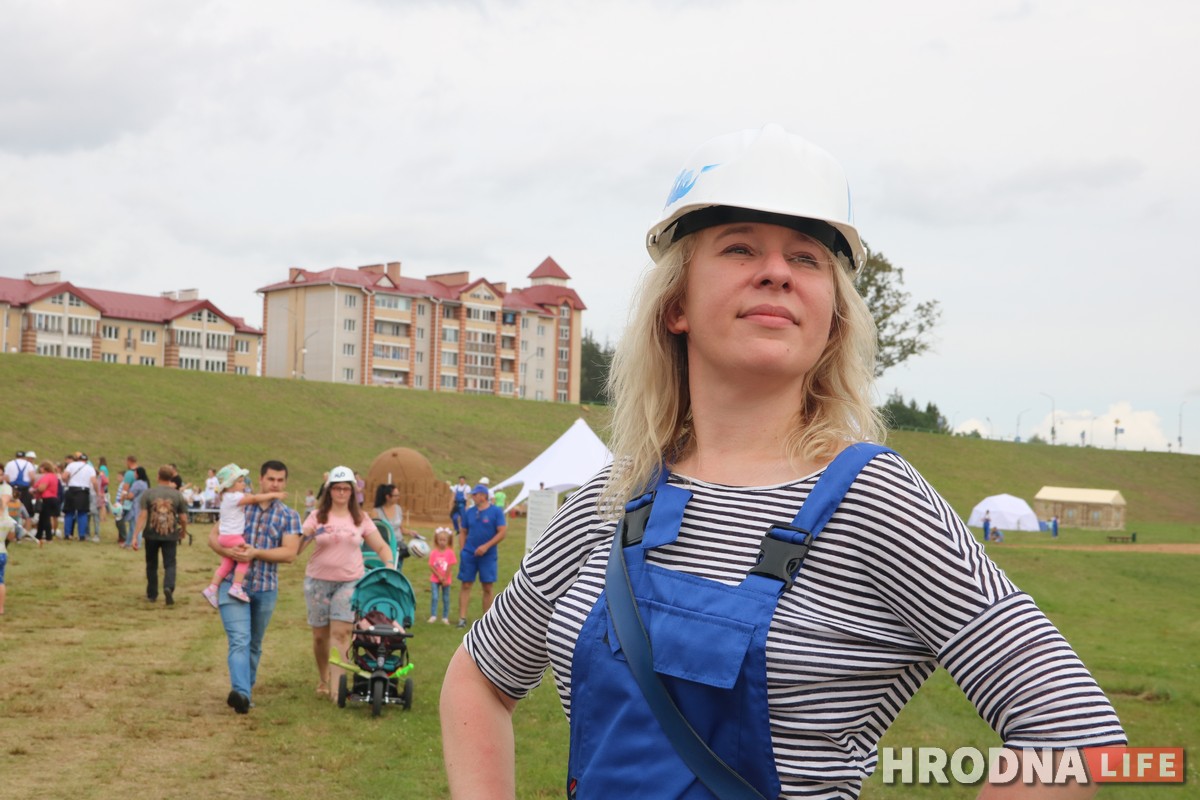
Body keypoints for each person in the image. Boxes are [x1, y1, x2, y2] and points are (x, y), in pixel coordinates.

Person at [441, 126, 1125, 799]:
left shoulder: (876, 500)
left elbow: (1073, 733)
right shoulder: (612, 496)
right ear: (675, 305)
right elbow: (479, 676)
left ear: (833, 315)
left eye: (806, 258)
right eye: (740, 249)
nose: (775, 271)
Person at [207, 459, 302, 714]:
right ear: (261, 480)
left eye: (280, 480)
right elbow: (213, 537)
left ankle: (244, 690)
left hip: (265, 587)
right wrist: (229, 551)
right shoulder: (239, 504)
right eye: (271, 479)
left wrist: (256, 553)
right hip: (232, 585)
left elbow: (290, 553)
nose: (275, 484)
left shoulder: (289, 516)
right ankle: (242, 694)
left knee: (254, 643)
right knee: (239, 639)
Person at [298, 465, 394, 700]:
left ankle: (337, 689)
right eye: (336, 488)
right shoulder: (317, 516)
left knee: (341, 634)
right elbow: (298, 547)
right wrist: (299, 538)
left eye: (345, 488)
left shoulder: (360, 518)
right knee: (320, 636)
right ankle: (323, 678)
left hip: (350, 582)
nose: (341, 493)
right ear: (329, 490)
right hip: (318, 582)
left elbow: (381, 546)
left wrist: (390, 565)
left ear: (352, 492)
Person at [201, 463, 288, 607]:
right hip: (233, 536)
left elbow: (248, 496)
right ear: (230, 485)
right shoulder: (234, 497)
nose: (244, 484)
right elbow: (253, 499)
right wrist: (274, 494)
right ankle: (236, 586)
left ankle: (212, 588)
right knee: (244, 558)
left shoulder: (229, 496)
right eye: (240, 482)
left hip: (225, 537)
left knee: (227, 563)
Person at [134, 465, 189, 605]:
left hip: (151, 534)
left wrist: (135, 535)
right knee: (170, 563)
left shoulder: (148, 493)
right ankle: (168, 586)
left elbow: (143, 515)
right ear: (171, 478)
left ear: (158, 476)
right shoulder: (177, 495)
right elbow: (183, 517)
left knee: (151, 564)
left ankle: (152, 594)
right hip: (170, 534)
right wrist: (183, 530)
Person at [454, 483, 506, 629]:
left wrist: (486, 546)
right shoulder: (469, 512)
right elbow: (463, 530)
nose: (473, 497)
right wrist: (463, 550)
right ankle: (462, 619)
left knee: (488, 586)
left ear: (483, 496)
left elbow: (502, 532)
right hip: (469, 554)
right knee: (465, 584)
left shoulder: (496, 512)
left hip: (488, 555)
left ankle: (487, 621)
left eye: (475, 494)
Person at [62, 451, 99, 542]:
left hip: (71, 489)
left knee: (69, 512)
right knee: (82, 513)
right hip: (83, 491)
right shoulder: (90, 468)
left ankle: (67, 534)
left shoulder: (71, 465)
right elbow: (94, 481)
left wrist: (68, 482)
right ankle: (82, 535)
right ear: (86, 460)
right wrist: (98, 492)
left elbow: (64, 476)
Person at [427, 526, 457, 624]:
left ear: (448, 541)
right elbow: (431, 566)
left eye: (444, 540)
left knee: (446, 598)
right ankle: (433, 615)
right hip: (435, 579)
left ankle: (445, 617)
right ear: (437, 540)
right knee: (435, 597)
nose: (442, 542)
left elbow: (450, 566)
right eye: (440, 540)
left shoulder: (450, 553)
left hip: (446, 580)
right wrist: (438, 576)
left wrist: (445, 578)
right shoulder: (433, 553)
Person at [31, 461, 60, 542]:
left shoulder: (47, 477)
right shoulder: (54, 476)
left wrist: (34, 490)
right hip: (53, 498)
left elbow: (41, 488)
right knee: (42, 518)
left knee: (46, 518)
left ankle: (48, 537)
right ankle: (38, 535)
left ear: (44, 468)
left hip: (46, 498)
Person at [123, 466, 150, 550]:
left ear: (138, 474)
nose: (134, 474)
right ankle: (128, 542)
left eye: (135, 472)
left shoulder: (137, 483)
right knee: (133, 525)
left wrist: (124, 495)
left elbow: (131, 495)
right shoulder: (145, 483)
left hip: (135, 506)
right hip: (142, 506)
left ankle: (136, 543)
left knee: (135, 526)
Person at [4, 450, 37, 517]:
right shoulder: (28, 464)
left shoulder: (10, 464)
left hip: (13, 487)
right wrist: (30, 486)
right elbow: (33, 478)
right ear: (24, 457)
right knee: (25, 507)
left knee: (11, 505)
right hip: (25, 488)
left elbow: (6, 477)